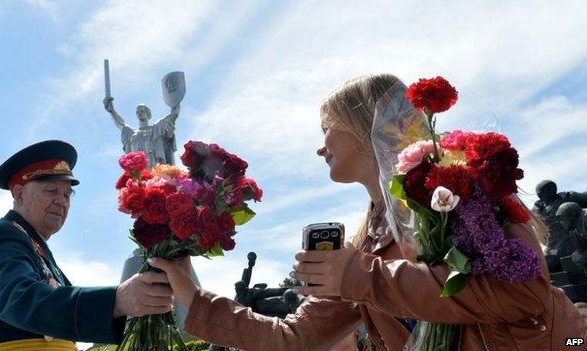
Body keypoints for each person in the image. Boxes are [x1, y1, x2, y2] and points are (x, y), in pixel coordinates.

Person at [150, 74, 587, 350]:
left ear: (366, 123)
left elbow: (524, 295)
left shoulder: (462, 184)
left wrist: (358, 277)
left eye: (327, 129)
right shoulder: (363, 242)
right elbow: (294, 338)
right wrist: (191, 293)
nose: (320, 146)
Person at [0, 140, 174, 350]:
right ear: (19, 194)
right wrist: (116, 300)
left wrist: (136, 304)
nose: (62, 201)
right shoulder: (1, 236)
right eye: (51, 190)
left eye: (67, 194)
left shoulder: (34, 246)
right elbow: (19, 300)